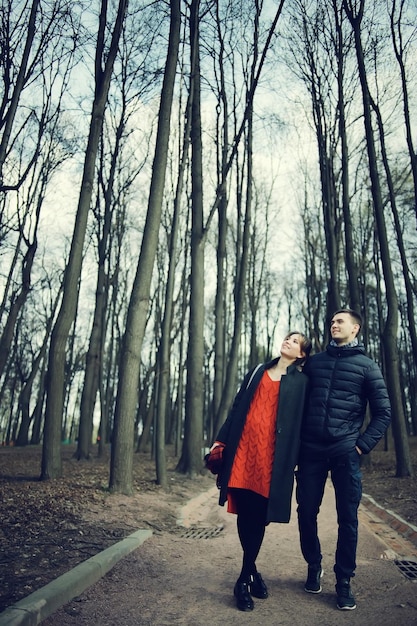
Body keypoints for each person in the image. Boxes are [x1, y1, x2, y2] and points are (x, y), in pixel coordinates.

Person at [207, 331, 312, 612]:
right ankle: (248, 575)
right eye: (287, 338)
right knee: (246, 512)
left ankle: (245, 575)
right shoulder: (257, 371)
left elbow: (303, 425)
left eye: (295, 341)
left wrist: (300, 459)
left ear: (301, 354)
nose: (288, 341)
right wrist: (221, 440)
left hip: (272, 460)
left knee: (258, 515)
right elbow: (237, 407)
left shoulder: (302, 383)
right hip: (243, 452)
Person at [296, 309, 391, 611]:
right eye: (332, 321)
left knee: (347, 519)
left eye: (340, 321)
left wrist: (360, 447)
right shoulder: (315, 363)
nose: (334, 324)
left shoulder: (367, 367)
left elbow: (383, 413)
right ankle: (314, 565)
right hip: (311, 450)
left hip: (345, 450)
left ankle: (344, 581)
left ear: (355, 328)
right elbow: (297, 403)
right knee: (305, 511)